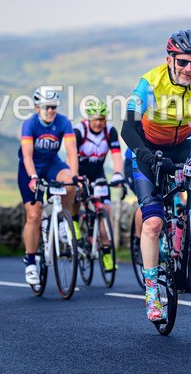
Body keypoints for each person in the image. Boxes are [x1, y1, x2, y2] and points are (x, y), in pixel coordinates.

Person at [120, 28, 191, 322]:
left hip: (183, 145)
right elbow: (127, 128)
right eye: (183, 62)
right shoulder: (149, 82)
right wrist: (145, 155)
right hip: (149, 151)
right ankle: (151, 294)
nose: (189, 69)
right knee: (153, 224)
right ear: (170, 59)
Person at [18, 86, 79, 286]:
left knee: (70, 182)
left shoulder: (63, 122)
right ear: (37, 108)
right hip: (30, 168)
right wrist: (33, 177)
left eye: (53, 107)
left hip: (52, 164)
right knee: (34, 215)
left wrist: (76, 176)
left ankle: (62, 221)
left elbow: (71, 152)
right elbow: (27, 155)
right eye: (46, 107)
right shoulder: (30, 124)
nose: (51, 111)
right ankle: (30, 261)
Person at [74, 100, 124, 271]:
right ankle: (75, 224)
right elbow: (71, 156)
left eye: (101, 119)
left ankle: (106, 254)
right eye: (95, 119)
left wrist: (118, 174)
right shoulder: (79, 131)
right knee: (76, 196)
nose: (98, 123)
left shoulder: (110, 131)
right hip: (79, 171)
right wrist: (76, 177)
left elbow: (117, 155)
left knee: (105, 212)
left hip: (98, 173)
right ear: (88, 118)